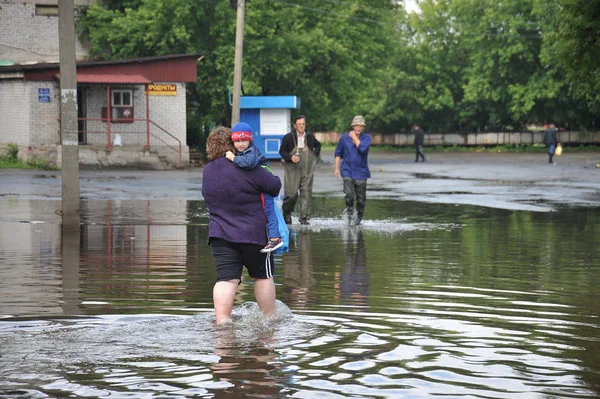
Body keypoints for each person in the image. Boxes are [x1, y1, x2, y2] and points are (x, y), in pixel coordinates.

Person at [202, 126, 282, 324]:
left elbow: (207, 196)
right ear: (232, 143)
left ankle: (222, 322)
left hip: (220, 235)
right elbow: (274, 186)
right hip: (254, 234)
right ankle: (270, 322)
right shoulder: (248, 167)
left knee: (226, 280)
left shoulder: (208, 170)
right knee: (262, 277)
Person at [225, 122, 283, 253]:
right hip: (258, 184)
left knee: (268, 209)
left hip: (265, 183)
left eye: (243, 140)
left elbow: (249, 163)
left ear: (249, 140)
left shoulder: (251, 151)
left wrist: (233, 158)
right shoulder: (243, 151)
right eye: (237, 141)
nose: (240, 144)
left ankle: (275, 238)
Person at [279, 115, 321, 225]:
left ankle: (304, 217)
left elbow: (318, 145)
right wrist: (290, 157)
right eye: (299, 124)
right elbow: (282, 151)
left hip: (307, 169)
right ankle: (287, 213)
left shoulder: (309, 136)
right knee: (291, 194)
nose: (302, 126)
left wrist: (314, 156)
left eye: (303, 124)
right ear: (294, 125)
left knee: (306, 192)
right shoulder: (288, 137)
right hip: (292, 170)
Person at [334, 115, 372, 225]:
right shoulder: (344, 138)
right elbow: (338, 153)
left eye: (360, 126)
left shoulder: (367, 138)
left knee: (361, 199)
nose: (358, 128)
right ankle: (349, 214)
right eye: (356, 126)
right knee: (349, 194)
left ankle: (358, 220)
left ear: (363, 127)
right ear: (353, 126)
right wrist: (336, 168)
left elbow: (363, 149)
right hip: (347, 170)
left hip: (361, 171)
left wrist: (354, 138)